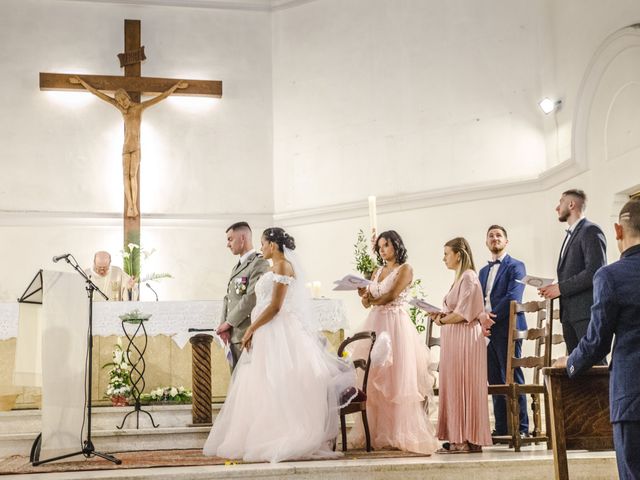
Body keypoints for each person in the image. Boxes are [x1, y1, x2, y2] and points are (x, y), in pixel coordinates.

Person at [203, 227, 355, 462]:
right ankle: (262, 434)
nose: (261, 248)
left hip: (281, 333)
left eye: (263, 244)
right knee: (262, 383)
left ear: (273, 246)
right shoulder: (274, 267)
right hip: (267, 333)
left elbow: (275, 307)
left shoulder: (283, 266)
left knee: (279, 382)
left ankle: (283, 434)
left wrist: (251, 328)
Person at [554, 198, 640, 480]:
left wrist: (570, 362)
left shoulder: (611, 276)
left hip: (633, 397)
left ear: (617, 230)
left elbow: (598, 342)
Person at [351, 230, 438, 454]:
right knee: (373, 378)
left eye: (386, 245)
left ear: (396, 245)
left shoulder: (405, 269)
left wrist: (372, 299)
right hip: (375, 324)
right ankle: (378, 432)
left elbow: (391, 296)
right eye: (379, 246)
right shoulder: (376, 270)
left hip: (395, 326)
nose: (382, 250)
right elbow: (367, 303)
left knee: (397, 378)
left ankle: (400, 432)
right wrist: (364, 295)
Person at [69, 76, 188, 218]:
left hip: (136, 148)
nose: (122, 103)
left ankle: (134, 206)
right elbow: (98, 94)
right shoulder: (120, 109)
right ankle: (130, 205)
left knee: (133, 176)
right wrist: (82, 83)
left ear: (127, 97)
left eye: (123, 100)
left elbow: (161, 97)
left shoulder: (139, 107)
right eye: (119, 101)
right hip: (125, 149)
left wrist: (176, 86)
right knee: (125, 176)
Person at [430, 237, 492, 453]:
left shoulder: (468, 277)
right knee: (457, 386)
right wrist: (441, 316)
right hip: (456, 338)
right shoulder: (460, 278)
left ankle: (463, 439)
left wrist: (441, 320)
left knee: (463, 386)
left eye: (447, 253)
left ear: (458, 254)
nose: (444, 258)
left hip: (465, 339)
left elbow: (464, 313)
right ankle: (463, 437)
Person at [539, 189, 607, 355]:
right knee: (576, 371)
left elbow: (594, 271)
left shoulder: (590, 230)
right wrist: (554, 287)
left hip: (585, 313)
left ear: (571, 204)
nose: (557, 207)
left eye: (560, 202)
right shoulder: (570, 234)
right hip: (569, 315)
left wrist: (561, 288)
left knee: (594, 366)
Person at [478, 225, 529, 437]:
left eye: (499, 235)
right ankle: (501, 429)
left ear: (506, 241)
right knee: (494, 379)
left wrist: (490, 319)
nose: (494, 238)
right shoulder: (482, 271)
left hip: (508, 328)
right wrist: (481, 321)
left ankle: (522, 429)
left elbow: (513, 296)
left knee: (512, 377)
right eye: (490, 236)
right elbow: (477, 300)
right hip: (486, 332)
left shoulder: (517, 266)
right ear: (487, 242)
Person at [216, 222, 269, 370]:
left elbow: (252, 297)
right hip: (233, 335)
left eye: (230, 239)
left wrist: (229, 323)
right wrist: (224, 326)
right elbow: (228, 297)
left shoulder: (259, 263)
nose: (228, 244)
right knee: (236, 385)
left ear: (243, 238)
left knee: (247, 386)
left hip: (246, 334)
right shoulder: (237, 266)